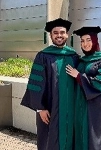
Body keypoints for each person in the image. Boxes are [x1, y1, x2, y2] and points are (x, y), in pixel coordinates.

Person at [21, 18, 79, 150]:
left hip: (70, 111)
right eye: (55, 32)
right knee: (48, 141)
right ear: (51, 35)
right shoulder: (43, 56)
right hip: (49, 109)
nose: (59, 35)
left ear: (67, 34)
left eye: (62, 32)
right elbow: (35, 83)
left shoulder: (74, 57)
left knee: (70, 139)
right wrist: (40, 108)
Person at [66, 26, 101, 150]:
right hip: (80, 104)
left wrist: (79, 76)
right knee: (80, 133)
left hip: (95, 106)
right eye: (82, 41)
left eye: (88, 40)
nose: (85, 44)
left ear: (94, 40)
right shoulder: (82, 61)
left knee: (94, 137)